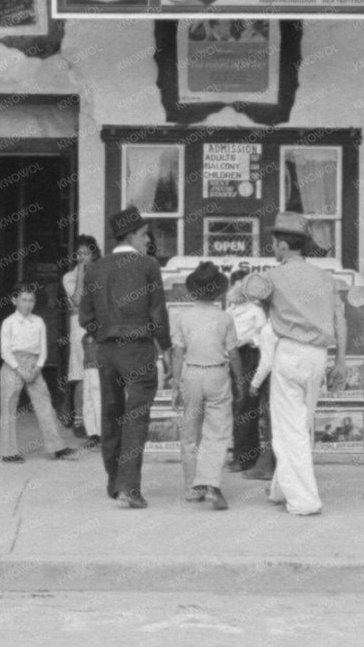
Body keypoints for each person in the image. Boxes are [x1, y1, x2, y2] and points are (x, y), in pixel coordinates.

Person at [240, 212, 347, 517]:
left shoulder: (273, 277)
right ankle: (280, 488)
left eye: (274, 243)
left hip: (288, 353)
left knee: (289, 430)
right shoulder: (327, 279)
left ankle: (304, 500)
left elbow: (244, 293)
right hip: (317, 357)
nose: (272, 248)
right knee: (299, 425)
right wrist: (339, 362)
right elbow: (340, 321)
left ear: (284, 245)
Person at [79, 207, 171, 509]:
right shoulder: (147, 266)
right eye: (145, 234)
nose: (148, 239)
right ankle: (129, 487)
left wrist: (103, 332)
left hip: (106, 349)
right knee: (136, 418)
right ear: (131, 235)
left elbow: (85, 317)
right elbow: (158, 315)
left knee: (111, 413)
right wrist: (166, 349)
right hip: (139, 348)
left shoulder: (94, 268)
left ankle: (114, 482)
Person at [169, 261, 239, 510]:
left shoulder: (183, 318)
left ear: (193, 291)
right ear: (217, 291)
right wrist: (239, 381)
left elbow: (177, 354)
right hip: (217, 375)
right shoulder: (225, 318)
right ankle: (210, 484)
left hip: (192, 374)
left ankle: (191, 488)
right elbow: (233, 354)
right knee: (216, 433)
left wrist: (176, 384)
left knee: (189, 433)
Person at [0, 283, 75, 463]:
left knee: (45, 404)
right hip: (13, 365)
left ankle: (57, 447)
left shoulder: (38, 321)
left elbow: (43, 349)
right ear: (14, 300)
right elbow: (5, 351)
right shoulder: (8, 322)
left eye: (31, 300)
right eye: (24, 300)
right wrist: (19, 369)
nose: (28, 304)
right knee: (8, 407)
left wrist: (38, 368)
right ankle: (7, 451)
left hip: (34, 365)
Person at [230, 272, 272, 478]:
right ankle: (240, 454)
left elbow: (263, 337)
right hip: (232, 357)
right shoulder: (230, 310)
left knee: (246, 407)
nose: (236, 288)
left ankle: (246, 457)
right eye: (235, 284)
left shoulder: (256, 311)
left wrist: (248, 340)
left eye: (240, 284)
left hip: (250, 357)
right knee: (237, 406)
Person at [61, 235, 101, 445]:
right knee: (79, 372)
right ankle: (78, 419)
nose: (82, 257)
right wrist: (82, 274)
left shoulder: (101, 273)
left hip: (98, 323)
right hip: (78, 325)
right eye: (79, 253)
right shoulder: (69, 276)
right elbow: (77, 299)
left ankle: (97, 421)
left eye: (86, 252)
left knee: (97, 372)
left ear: (94, 254)